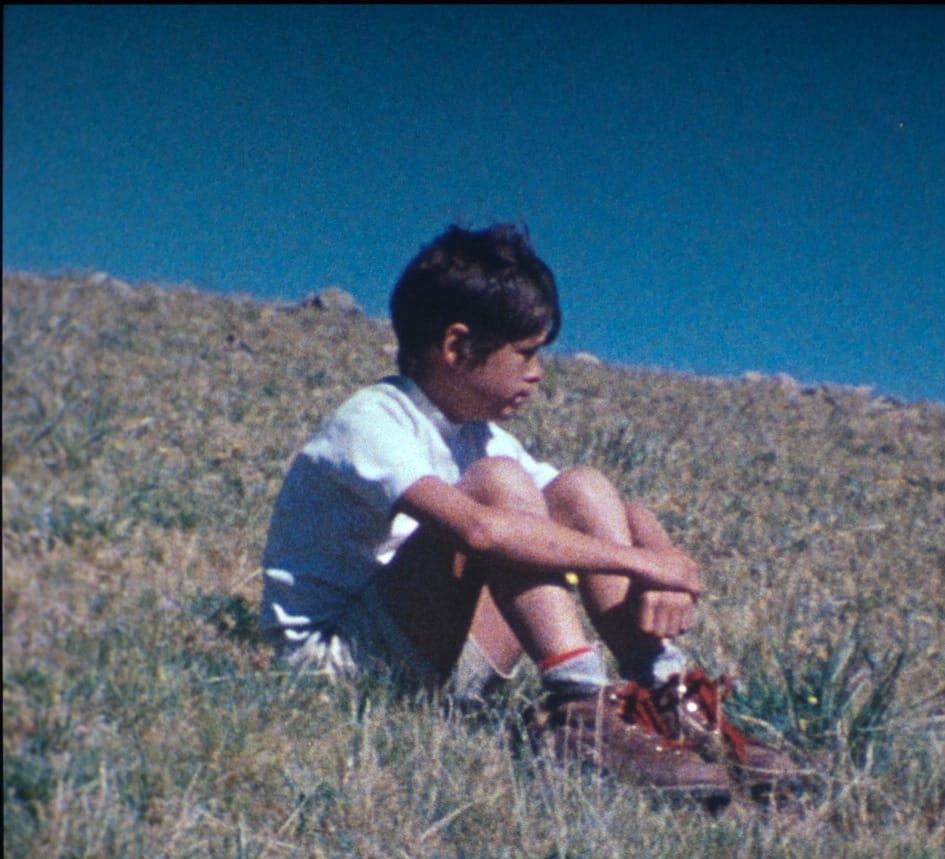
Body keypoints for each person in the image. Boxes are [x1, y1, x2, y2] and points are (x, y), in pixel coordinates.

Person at [260, 224, 799, 804]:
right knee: (498, 492)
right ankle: (578, 709)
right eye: (526, 352)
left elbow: (603, 508)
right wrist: (642, 566)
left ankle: (667, 699)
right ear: (456, 347)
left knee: (582, 488)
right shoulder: (371, 419)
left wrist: (666, 557)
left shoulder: (479, 436)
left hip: (430, 657)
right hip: (342, 670)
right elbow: (480, 531)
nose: (538, 372)